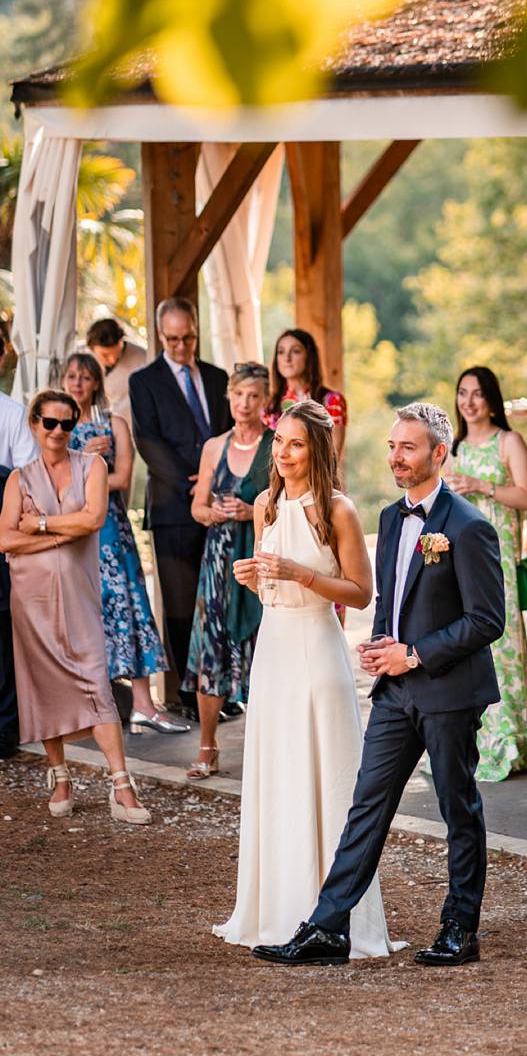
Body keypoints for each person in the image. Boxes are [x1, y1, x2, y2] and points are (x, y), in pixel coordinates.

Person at [251, 401, 505, 970]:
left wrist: (413, 653)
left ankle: (460, 928)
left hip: (447, 691)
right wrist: (380, 644)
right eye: (392, 446)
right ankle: (327, 929)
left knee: (457, 807)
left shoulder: (469, 526)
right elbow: (389, 597)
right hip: (394, 691)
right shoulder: (390, 518)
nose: (396, 457)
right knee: (366, 807)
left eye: (408, 448)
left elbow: (488, 620)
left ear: (439, 454)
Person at [215, 400, 397, 960]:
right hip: (273, 649)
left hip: (318, 649)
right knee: (280, 775)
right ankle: (276, 910)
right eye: (279, 442)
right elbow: (273, 584)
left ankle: (333, 917)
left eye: (296, 444)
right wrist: (255, 578)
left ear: (316, 449)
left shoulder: (337, 509)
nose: (284, 453)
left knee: (329, 779)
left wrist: (302, 575)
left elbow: (361, 593)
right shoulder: (264, 505)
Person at [0, 390, 150, 823]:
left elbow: (94, 519)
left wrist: (43, 525)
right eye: (49, 423)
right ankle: (60, 775)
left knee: (95, 682)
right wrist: (65, 533)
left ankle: (121, 785)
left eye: (66, 424)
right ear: (34, 424)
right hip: (30, 597)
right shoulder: (17, 479)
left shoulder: (93, 465)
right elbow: (6, 538)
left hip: (80, 594)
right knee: (44, 687)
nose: (58, 432)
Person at [62, 352, 182, 735]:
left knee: (129, 605)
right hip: (76, 533)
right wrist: (85, 461)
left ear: (97, 382)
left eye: (85, 376)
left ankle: (145, 705)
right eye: (71, 376)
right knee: (85, 613)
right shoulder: (56, 428)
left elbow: (123, 478)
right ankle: (93, 706)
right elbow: (53, 482)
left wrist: (91, 471)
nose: (78, 383)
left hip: (112, 530)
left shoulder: (113, 424)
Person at [129, 297, 231, 713]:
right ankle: (189, 695)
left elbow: (228, 431)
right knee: (180, 605)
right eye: (172, 339)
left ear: (196, 329)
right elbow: (147, 442)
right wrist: (196, 483)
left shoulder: (217, 376)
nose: (181, 346)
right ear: (160, 335)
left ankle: (222, 690)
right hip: (173, 507)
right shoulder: (143, 381)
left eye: (188, 337)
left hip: (221, 502)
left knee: (221, 601)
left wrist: (217, 480)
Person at [448, 366, 527, 780]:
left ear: (492, 399)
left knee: (503, 644)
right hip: (461, 560)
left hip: (499, 556)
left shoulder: (509, 441)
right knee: (467, 644)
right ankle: (475, 739)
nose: (469, 402)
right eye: (462, 393)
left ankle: (514, 739)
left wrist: (480, 485)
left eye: (477, 394)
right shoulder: (455, 445)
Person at [185, 362, 273, 780]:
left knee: (263, 654)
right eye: (239, 395)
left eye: (254, 396)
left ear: (265, 400)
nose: (245, 403)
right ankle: (207, 747)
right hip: (217, 564)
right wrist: (214, 513)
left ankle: (267, 751)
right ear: (229, 397)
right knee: (211, 652)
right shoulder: (213, 447)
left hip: (259, 561)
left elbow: (289, 505)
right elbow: (197, 506)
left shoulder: (277, 447)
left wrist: (250, 510)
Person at [0, 388, 35, 758]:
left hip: (3, 526)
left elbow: (26, 479)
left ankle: (5, 727)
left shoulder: (12, 414)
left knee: (1, 628)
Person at [263, 329, 347, 464]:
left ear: (309, 356)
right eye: (281, 352)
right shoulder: (269, 405)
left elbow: (332, 455)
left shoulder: (332, 401)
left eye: (295, 351)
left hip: (319, 480)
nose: (287, 358)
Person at [85, 316, 148, 425]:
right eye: (105, 355)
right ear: (91, 348)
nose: (112, 360)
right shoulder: (82, 362)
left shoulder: (144, 359)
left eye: (117, 353)